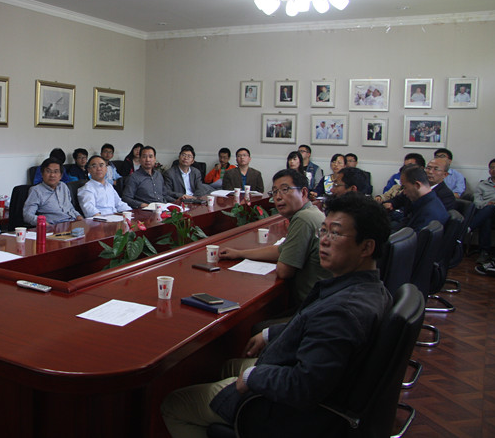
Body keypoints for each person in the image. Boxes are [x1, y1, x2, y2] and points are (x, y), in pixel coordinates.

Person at [161, 193, 392, 438]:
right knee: (229, 365)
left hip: (288, 414)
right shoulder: (372, 289)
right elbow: (312, 327)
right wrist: (270, 333)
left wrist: (254, 376)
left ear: (366, 247)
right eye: (323, 231)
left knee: (175, 405)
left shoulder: (342, 313)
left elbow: (303, 387)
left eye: (335, 233)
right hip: (308, 378)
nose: (323, 241)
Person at [220, 169, 329, 307]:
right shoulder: (312, 212)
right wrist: (239, 253)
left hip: (311, 309)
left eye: (285, 190)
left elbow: (284, 271)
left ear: (303, 192)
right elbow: (280, 250)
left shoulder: (303, 218)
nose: (278, 197)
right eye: (275, 191)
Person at [23, 158, 83, 225]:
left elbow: (70, 208)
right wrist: (43, 223)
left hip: (71, 223)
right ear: (42, 174)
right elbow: (27, 215)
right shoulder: (36, 191)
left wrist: (78, 216)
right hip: (54, 226)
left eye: (56, 171)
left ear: (61, 176)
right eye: (48, 171)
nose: (52, 175)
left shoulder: (63, 186)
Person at [390, 165, 448, 232]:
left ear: (417, 185)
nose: (404, 193)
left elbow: (412, 236)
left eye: (405, 187)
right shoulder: (431, 202)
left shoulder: (427, 213)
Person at [472, 158, 495, 273]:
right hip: (486, 212)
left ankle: (468, 227)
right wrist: (486, 204)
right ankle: (484, 252)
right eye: (491, 168)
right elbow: (476, 202)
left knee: (490, 210)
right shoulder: (482, 185)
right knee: (487, 217)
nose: (494, 170)